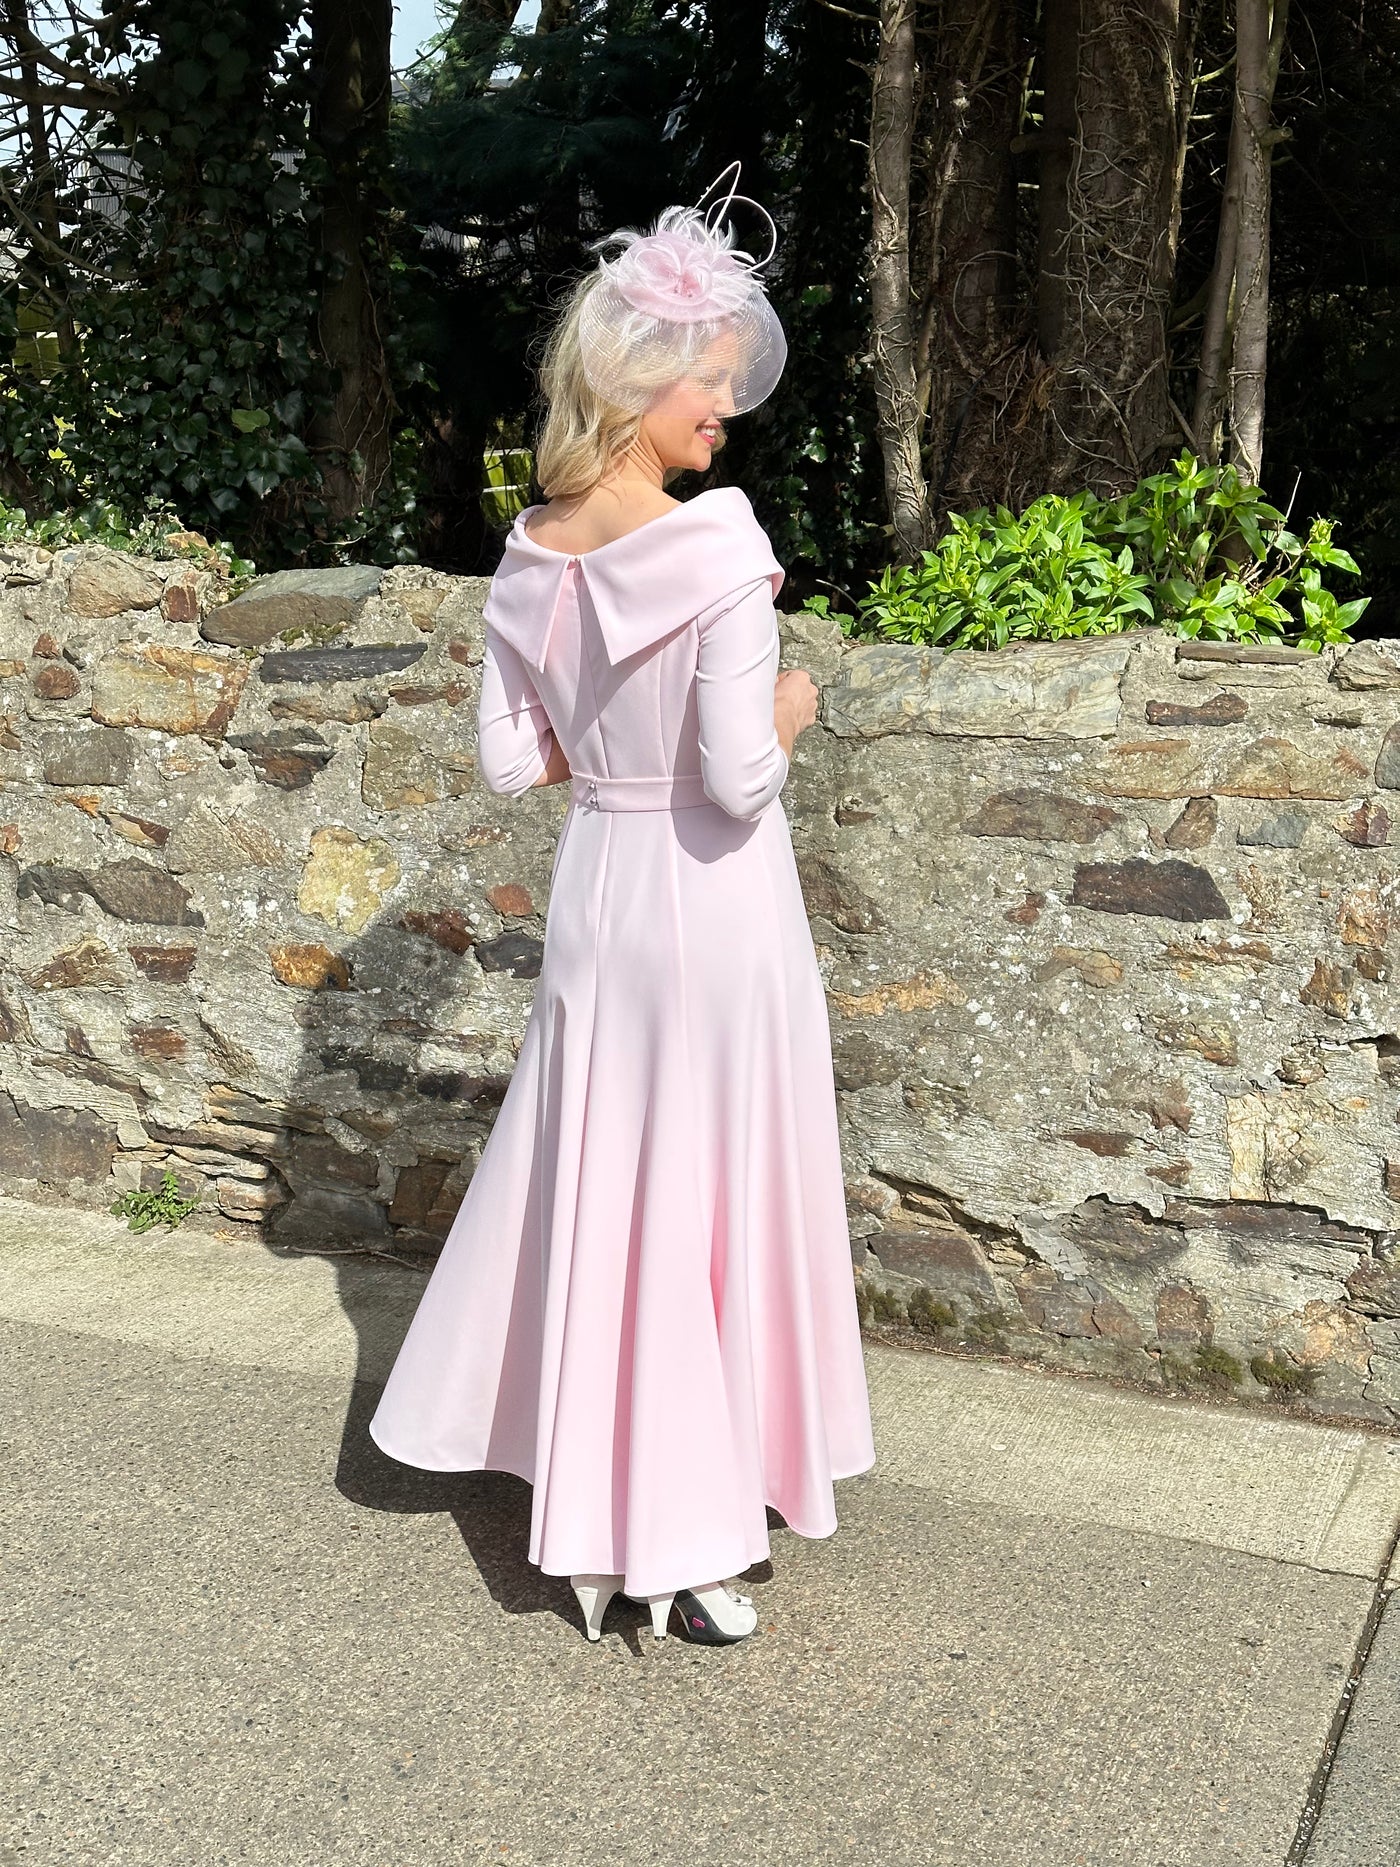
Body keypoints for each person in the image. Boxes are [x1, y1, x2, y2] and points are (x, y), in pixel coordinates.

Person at [368, 164, 876, 1647]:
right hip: (713, 907)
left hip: (601, 889)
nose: (726, 409)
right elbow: (735, 781)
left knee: (618, 1187)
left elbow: (507, 757)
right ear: (642, 382)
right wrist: (793, 704)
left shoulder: (531, 551)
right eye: (709, 384)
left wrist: (606, 735)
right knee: (704, 1191)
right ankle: (676, 1532)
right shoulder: (717, 545)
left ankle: (615, 1493)